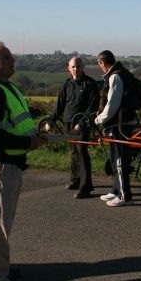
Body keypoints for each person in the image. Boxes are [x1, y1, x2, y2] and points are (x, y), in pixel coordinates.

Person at [0, 42, 46, 281]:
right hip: (0, 164)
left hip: (8, 163)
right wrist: (29, 141)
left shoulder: (5, 89)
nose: (12, 59)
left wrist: (33, 135)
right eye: (6, 57)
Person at [45, 56, 99, 198]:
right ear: (69, 68)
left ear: (83, 67)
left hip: (82, 124)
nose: (76, 69)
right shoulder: (67, 84)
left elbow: (92, 108)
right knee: (73, 152)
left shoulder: (90, 84)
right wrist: (50, 121)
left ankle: (86, 187)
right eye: (73, 67)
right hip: (68, 123)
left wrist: (81, 124)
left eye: (78, 66)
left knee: (81, 152)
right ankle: (75, 180)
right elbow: (60, 105)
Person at [94, 50, 137, 207]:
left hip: (119, 124)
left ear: (102, 63)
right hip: (119, 123)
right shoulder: (121, 73)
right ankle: (115, 190)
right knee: (114, 158)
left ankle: (126, 196)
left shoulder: (115, 76)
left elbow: (112, 105)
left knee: (120, 160)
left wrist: (98, 120)